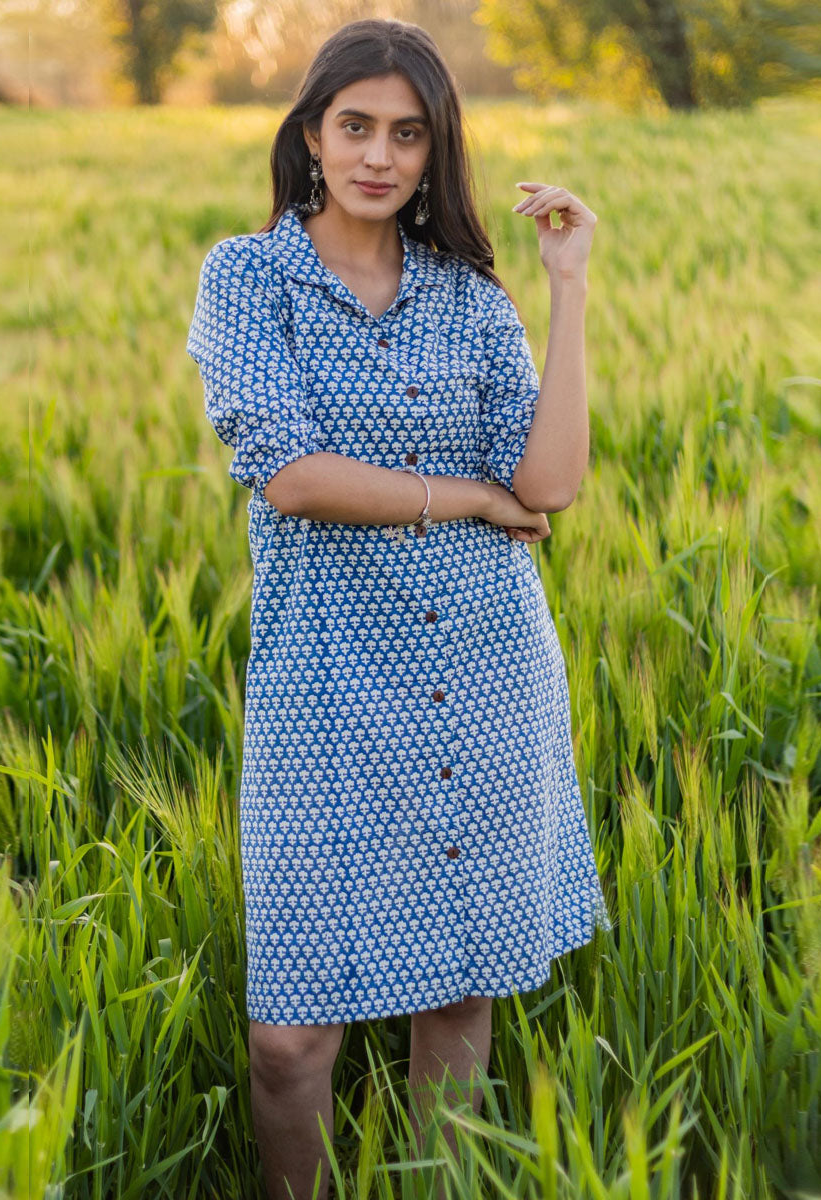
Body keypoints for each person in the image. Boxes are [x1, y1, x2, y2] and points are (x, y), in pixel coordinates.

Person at [186, 18, 611, 1200]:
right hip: (324, 686)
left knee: (458, 993)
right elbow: (290, 472)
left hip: (482, 669)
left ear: (435, 155)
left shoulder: (470, 300)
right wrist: (463, 493)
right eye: (356, 126)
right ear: (311, 137)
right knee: (289, 1042)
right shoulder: (248, 277)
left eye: (407, 134)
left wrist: (566, 291)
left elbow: (549, 487)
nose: (379, 154)